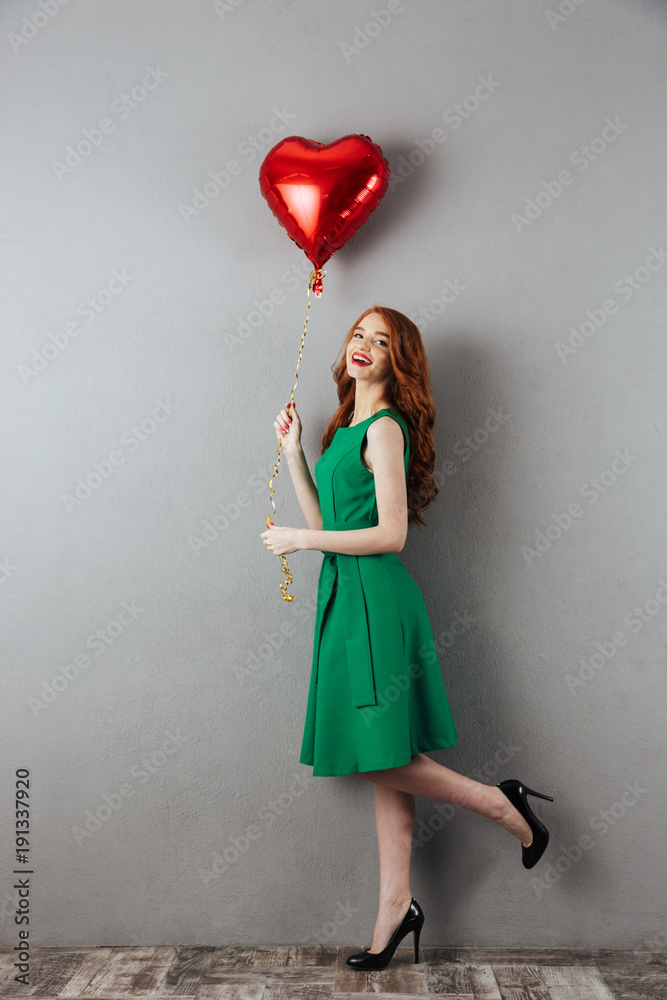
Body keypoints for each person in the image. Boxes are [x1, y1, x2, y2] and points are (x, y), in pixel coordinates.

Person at [260, 305, 554, 971]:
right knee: (382, 754)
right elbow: (325, 516)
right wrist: (293, 454)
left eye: (381, 340)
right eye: (358, 334)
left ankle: (500, 804)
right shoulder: (346, 428)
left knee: (374, 754)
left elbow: (389, 533)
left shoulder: (386, 430)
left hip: (374, 602)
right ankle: (396, 905)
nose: (364, 345)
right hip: (344, 597)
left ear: (399, 359)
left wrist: (302, 541)